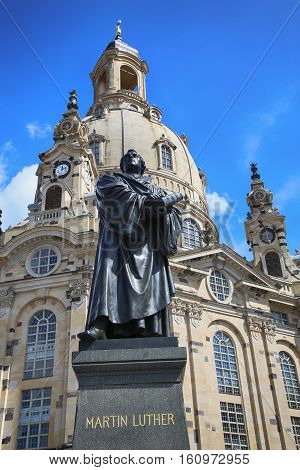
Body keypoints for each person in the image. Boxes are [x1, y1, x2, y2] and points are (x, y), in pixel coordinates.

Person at [78, 149, 182, 340]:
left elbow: (173, 215)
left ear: (143, 166)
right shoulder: (110, 180)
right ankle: (101, 324)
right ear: (122, 165)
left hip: (149, 246)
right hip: (116, 241)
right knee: (108, 276)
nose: (132, 156)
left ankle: (151, 328)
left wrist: (165, 211)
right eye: (127, 157)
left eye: (135, 157)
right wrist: (152, 204)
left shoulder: (157, 189)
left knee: (151, 284)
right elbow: (116, 199)